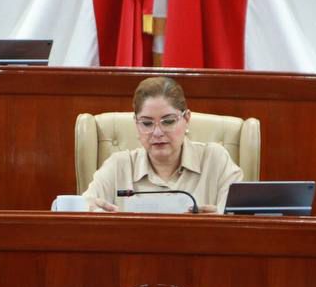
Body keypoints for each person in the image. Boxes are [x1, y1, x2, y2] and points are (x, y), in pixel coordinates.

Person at [83, 76, 243, 214]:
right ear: (136, 124)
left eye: (168, 121)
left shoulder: (215, 160)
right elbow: (80, 208)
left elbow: (242, 218)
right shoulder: (118, 166)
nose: (157, 132)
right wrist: (89, 210)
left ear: (187, 119)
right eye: (147, 123)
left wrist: (218, 221)